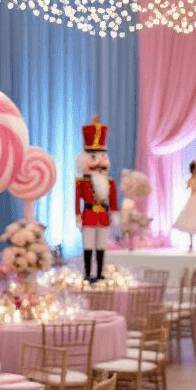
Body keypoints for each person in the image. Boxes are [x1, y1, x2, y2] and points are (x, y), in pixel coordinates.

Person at [75, 116, 119, 283]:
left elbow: (113, 201)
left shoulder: (110, 182)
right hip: (88, 215)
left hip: (103, 217)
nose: (99, 161)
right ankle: (88, 274)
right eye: (94, 157)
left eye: (102, 157)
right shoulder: (81, 182)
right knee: (88, 246)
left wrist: (114, 214)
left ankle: (99, 273)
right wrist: (77, 215)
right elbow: (76, 201)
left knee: (101, 246)